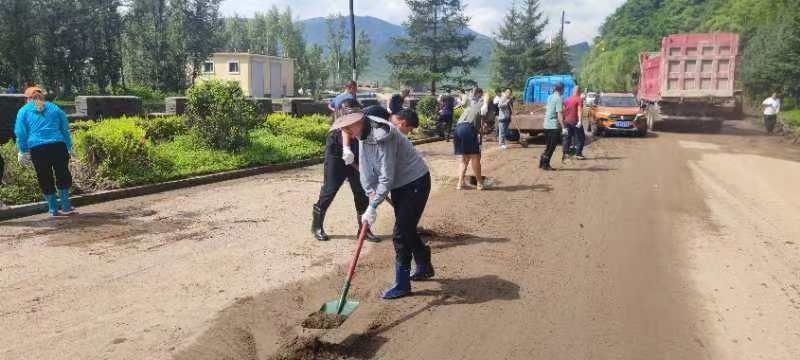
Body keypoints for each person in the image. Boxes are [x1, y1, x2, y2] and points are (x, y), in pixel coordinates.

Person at [332, 110, 433, 300]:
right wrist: (370, 191)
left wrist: (373, 206)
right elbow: (365, 164)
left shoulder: (382, 135)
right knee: (407, 227)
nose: (347, 132)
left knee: (401, 232)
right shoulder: (363, 130)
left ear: (358, 122)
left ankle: (402, 284)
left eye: (348, 127)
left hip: (415, 181)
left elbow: (386, 176)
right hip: (399, 184)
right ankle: (424, 263)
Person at [313, 100, 380, 243]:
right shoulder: (338, 126)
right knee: (329, 190)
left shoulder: (362, 121)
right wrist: (346, 149)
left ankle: (364, 229)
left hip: (356, 156)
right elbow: (345, 131)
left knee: (361, 191)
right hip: (336, 156)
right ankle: (316, 226)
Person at [14, 86, 75, 216]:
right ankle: (66, 206)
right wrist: (69, 146)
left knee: (44, 177)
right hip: (58, 146)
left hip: (38, 149)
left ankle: (53, 209)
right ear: (43, 96)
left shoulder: (23, 111)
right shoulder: (55, 108)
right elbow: (65, 128)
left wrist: (23, 150)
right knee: (62, 173)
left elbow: (20, 132)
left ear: (27, 99)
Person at [453, 87, 485, 190]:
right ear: (480, 95)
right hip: (468, 128)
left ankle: (460, 184)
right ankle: (479, 183)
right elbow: (479, 125)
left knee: (464, 159)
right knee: (475, 157)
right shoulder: (482, 104)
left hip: (457, 129)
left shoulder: (469, 106)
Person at [540, 82, 565, 171]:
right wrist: (563, 127)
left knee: (548, 146)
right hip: (553, 126)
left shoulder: (550, 97)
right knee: (552, 147)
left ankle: (542, 162)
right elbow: (559, 114)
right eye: (563, 89)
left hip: (546, 124)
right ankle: (545, 165)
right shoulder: (559, 98)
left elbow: (548, 108)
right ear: (561, 89)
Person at [562, 86, 586, 161]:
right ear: (579, 92)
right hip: (575, 122)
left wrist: (563, 120)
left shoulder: (567, 99)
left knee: (567, 138)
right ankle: (578, 154)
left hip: (567, 121)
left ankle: (566, 153)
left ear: (573, 91)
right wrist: (580, 121)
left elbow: (563, 110)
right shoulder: (579, 99)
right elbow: (579, 110)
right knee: (580, 138)